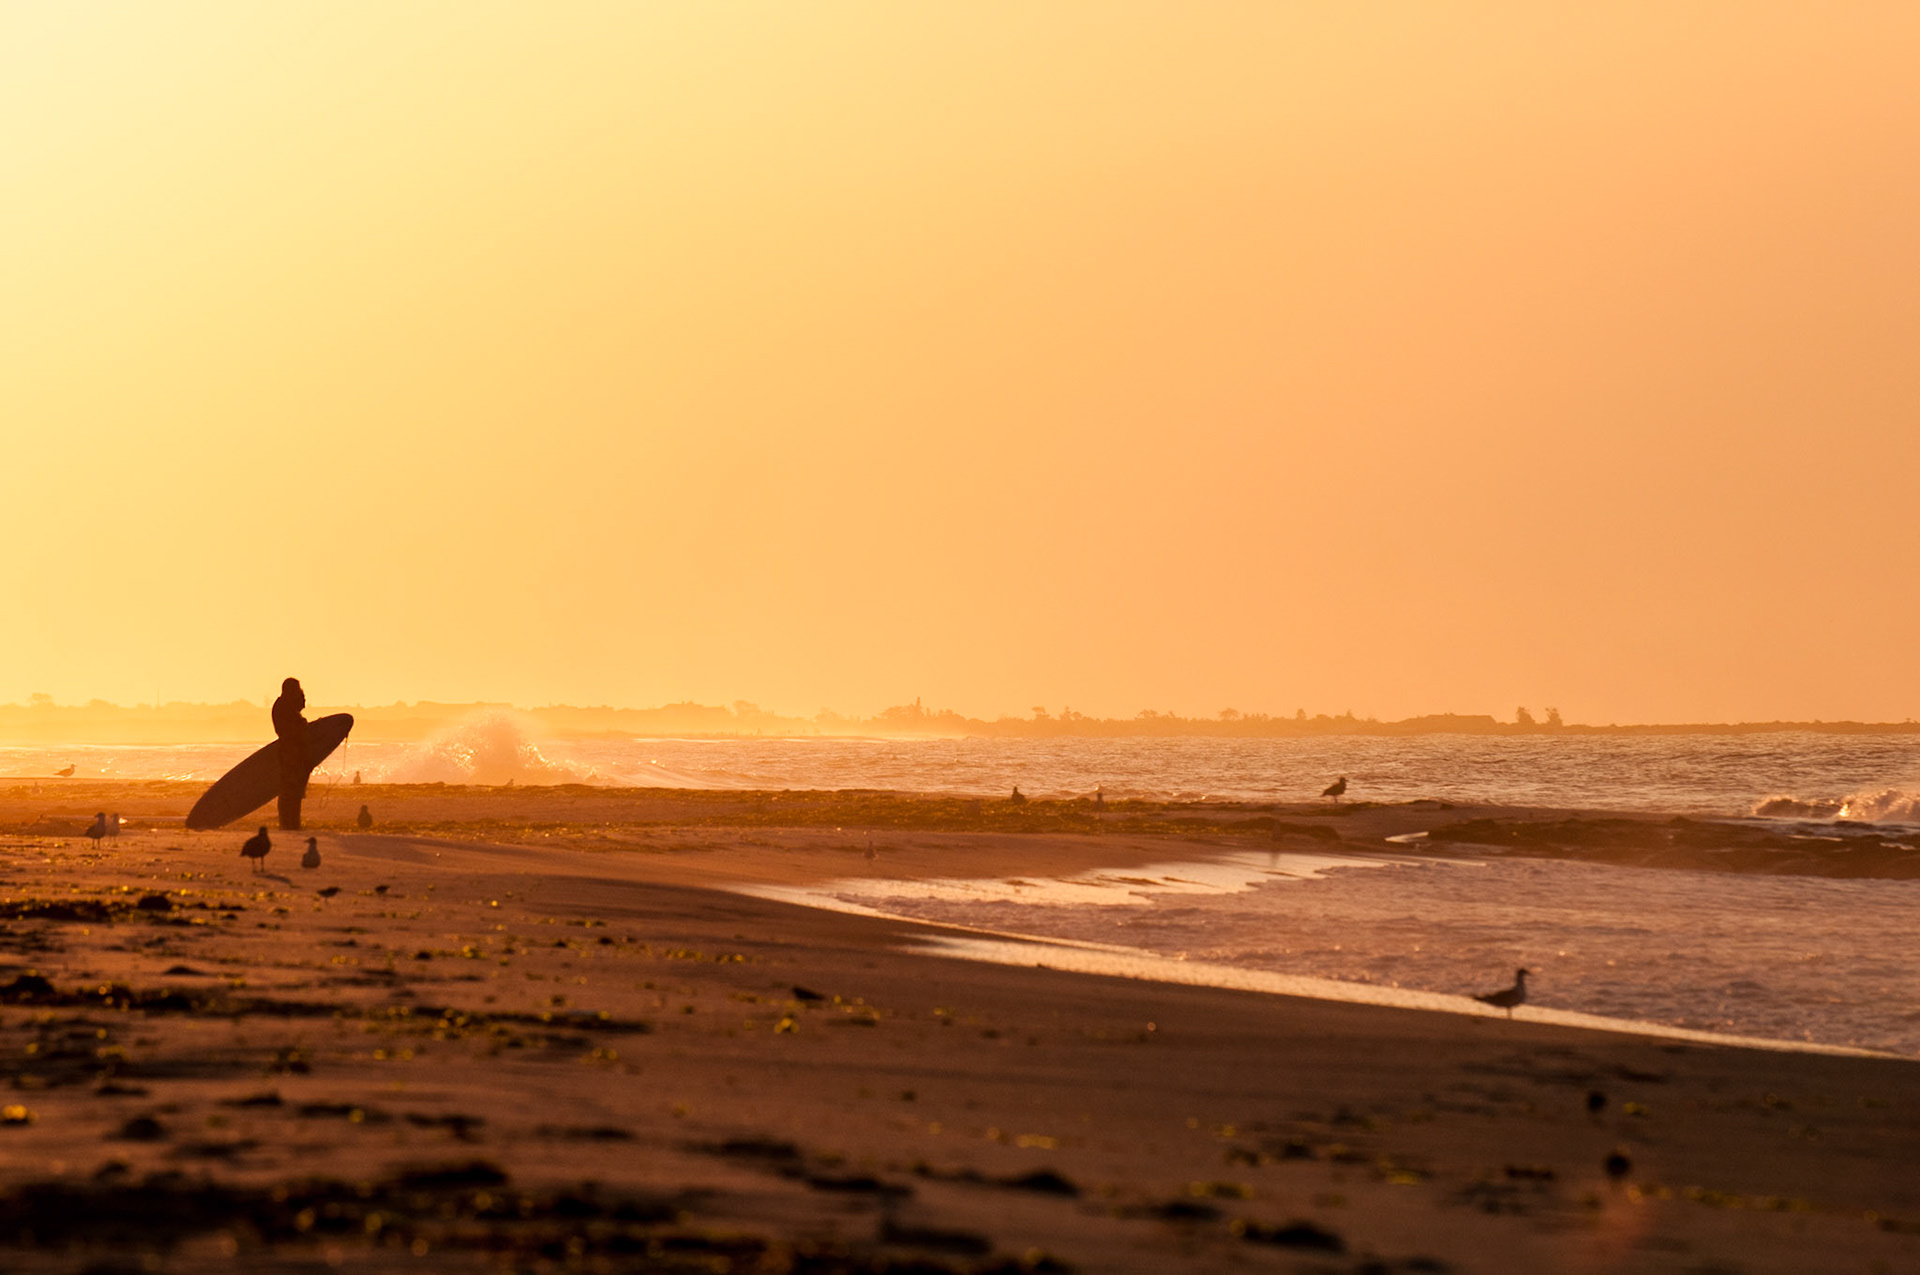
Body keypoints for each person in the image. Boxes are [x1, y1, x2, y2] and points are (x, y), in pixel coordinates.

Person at [271, 677, 310, 831]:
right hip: (289, 754)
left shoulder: (287, 705)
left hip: (296, 754)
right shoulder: (282, 706)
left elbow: (301, 706)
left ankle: (293, 823)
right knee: (289, 792)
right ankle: (288, 824)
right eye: (297, 689)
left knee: (296, 792)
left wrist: (301, 696)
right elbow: (290, 731)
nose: (299, 692)